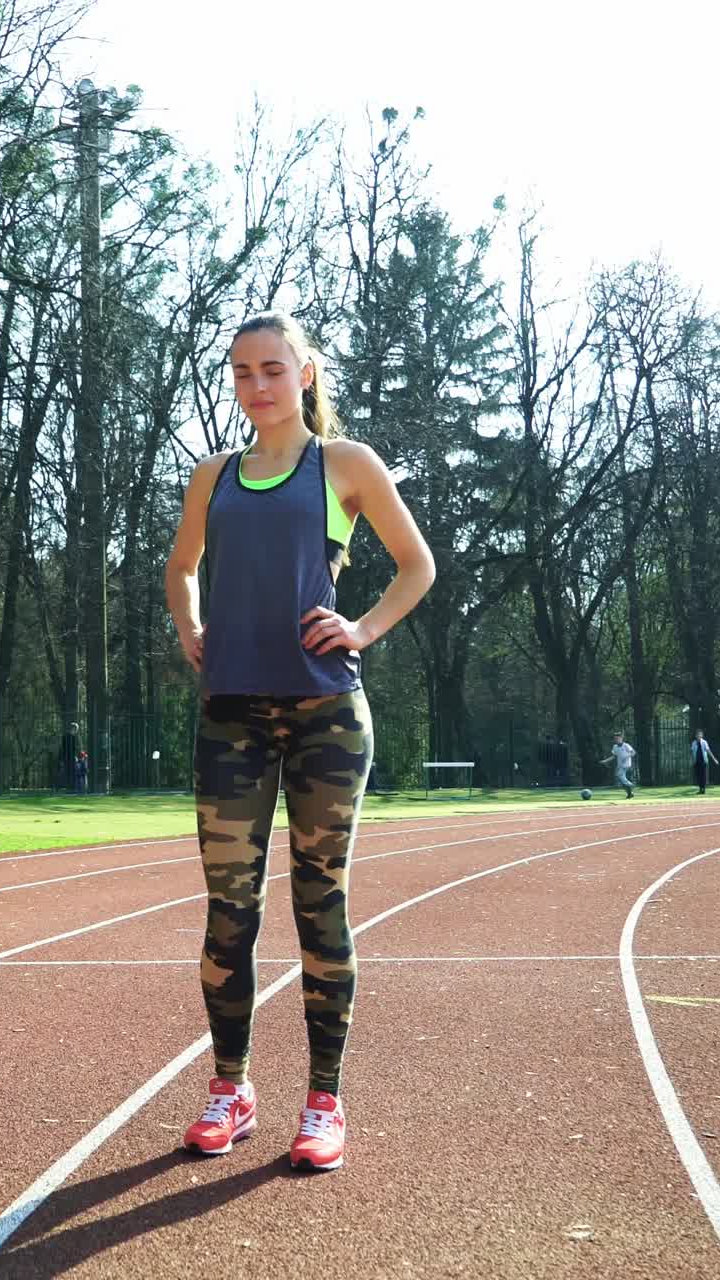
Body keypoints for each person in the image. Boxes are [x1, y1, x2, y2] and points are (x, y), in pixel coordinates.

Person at [165, 311, 435, 1172]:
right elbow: (180, 567)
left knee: (320, 910)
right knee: (227, 916)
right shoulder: (212, 476)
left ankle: (324, 1100)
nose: (257, 386)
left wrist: (360, 628)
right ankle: (231, 1087)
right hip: (231, 717)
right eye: (242, 372)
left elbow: (416, 564)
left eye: (273, 369)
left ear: (306, 373)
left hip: (324, 715)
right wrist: (190, 626)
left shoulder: (345, 465)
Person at [598, 732, 635, 798]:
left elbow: (633, 752)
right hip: (620, 765)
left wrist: (627, 756)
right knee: (621, 780)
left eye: (617, 738)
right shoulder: (615, 747)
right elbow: (614, 756)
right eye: (615, 739)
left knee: (619, 775)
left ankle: (630, 785)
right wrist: (605, 761)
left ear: (621, 738)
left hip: (626, 764)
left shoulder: (626, 745)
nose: (616, 740)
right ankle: (629, 793)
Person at [691, 729, 718, 795]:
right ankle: (700, 789)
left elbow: (708, 751)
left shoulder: (704, 742)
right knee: (698, 776)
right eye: (697, 734)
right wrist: (692, 760)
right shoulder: (694, 743)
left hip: (703, 761)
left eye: (700, 734)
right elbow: (692, 752)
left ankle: (703, 789)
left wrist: (714, 759)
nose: (699, 736)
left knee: (703, 776)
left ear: (702, 735)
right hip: (697, 762)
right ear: (696, 736)